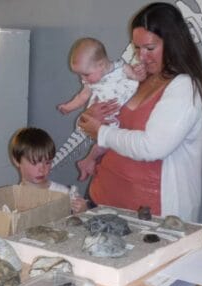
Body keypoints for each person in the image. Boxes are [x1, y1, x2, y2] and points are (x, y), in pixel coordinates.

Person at [77, 2, 202, 222]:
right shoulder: (136, 76)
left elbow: (151, 147)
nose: (142, 56)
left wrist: (101, 132)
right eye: (136, 47)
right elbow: (100, 116)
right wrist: (93, 115)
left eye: (150, 48)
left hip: (150, 217)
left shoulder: (185, 87)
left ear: (172, 44)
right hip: (100, 198)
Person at [57, 37, 145, 181]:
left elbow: (137, 80)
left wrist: (140, 74)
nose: (82, 79)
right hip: (100, 118)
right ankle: (88, 161)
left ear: (101, 64)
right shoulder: (90, 82)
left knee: (105, 143)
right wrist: (68, 107)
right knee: (103, 141)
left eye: (85, 74)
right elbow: (82, 97)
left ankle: (88, 161)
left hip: (115, 119)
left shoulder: (122, 69)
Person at [9, 127, 87, 213]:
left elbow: (78, 222)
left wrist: (82, 210)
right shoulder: (13, 198)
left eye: (47, 163)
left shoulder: (63, 194)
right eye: (34, 163)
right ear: (17, 161)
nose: (42, 170)